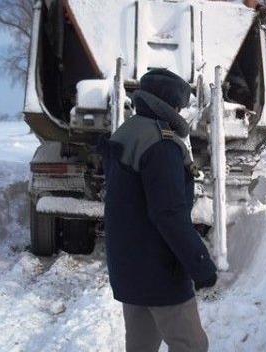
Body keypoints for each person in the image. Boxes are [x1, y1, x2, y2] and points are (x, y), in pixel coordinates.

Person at [98, 69, 218, 352]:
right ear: (172, 105)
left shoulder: (126, 131)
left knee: (141, 345)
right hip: (159, 269)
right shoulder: (161, 144)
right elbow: (169, 215)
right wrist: (200, 265)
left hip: (128, 263)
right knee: (192, 345)